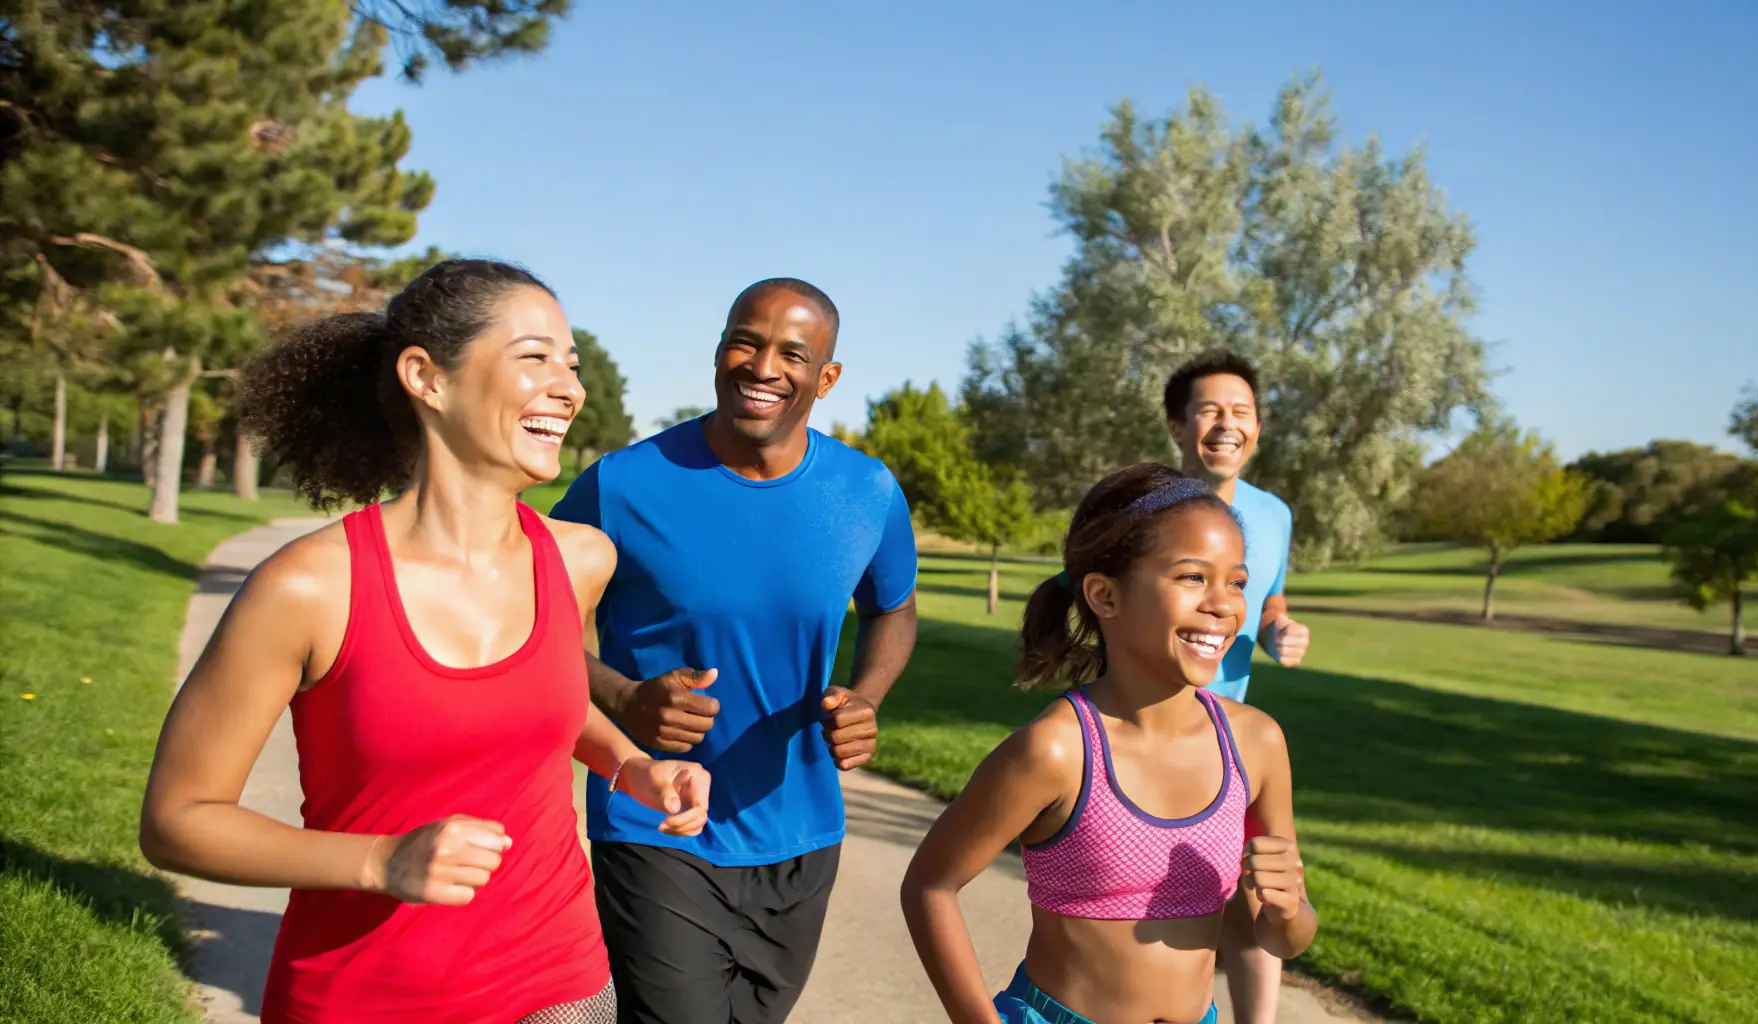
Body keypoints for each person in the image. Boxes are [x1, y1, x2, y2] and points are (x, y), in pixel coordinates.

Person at [139, 259, 711, 1024]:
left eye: (571, 365)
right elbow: (178, 819)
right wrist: (378, 860)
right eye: (536, 357)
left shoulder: (579, 561)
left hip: (562, 987)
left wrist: (632, 765)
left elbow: (547, 698)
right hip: (363, 1000)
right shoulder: (309, 588)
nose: (570, 388)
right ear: (426, 378)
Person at [549, 277, 920, 1024]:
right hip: (653, 820)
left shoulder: (867, 491)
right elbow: (533, 612)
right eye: (745, 343)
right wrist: (621, 696)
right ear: (719, 351)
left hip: (802, 829)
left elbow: (893, 607)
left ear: (826, 377)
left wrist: (866, 697)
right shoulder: (621, 484)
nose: (763, 367)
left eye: (793, 353)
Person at [901, 462, 1316, 1024]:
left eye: (1237, 582)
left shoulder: (1256, 743)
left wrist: (1288, 910)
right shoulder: (1057, 751)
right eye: (1192, 577)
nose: (1224, 605)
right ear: (1105, 595)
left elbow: (1285, 937)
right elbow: (930, 885)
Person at [1163, 349, 1310, 1023]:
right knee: (1149, 904)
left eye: (1242, 412)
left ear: (1257, 428)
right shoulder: (1140, 507)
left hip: (1230, 736)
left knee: (1258, 899)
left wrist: (1278, 630)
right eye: (1210, 410)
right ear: (1178, 425)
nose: (1228, 425)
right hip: (1143, 732)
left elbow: (1270, 600)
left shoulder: (1273, 515)